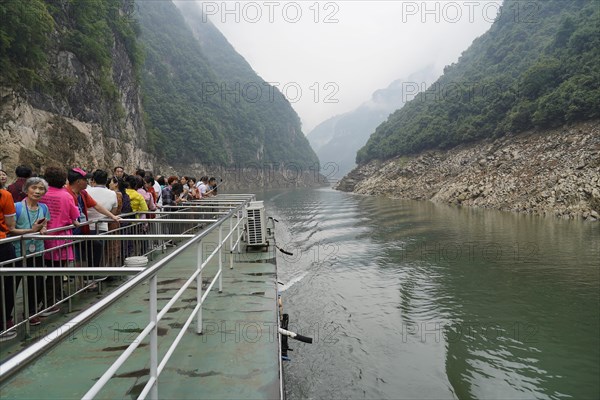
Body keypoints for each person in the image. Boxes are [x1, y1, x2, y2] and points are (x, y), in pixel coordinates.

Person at [9, 177, 51, 326]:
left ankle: (32, 312)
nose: (37, 191)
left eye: (41, 189)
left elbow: (44, 224)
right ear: (26, 189)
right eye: (34, 188)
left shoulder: (44, 208)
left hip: (37, 251)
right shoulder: (16, 207)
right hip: (18, 252)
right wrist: (31, 231)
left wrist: (43, 229)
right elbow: (11, 229)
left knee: (36, 282)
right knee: (12, 285)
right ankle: (7, 317)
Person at [41, 166, 79, 314]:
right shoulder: (66, 196)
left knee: (40, 273)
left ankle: (44, 301)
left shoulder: (41, 193)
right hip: (60, 239)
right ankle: (48, 303)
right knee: (56, 272)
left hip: (42, 238)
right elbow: (75, 216)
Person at [0, 180, 17, 341]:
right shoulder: (5, 195)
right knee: (6, 283)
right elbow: (11, 224)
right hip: (2, 244)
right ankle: (4, 321)